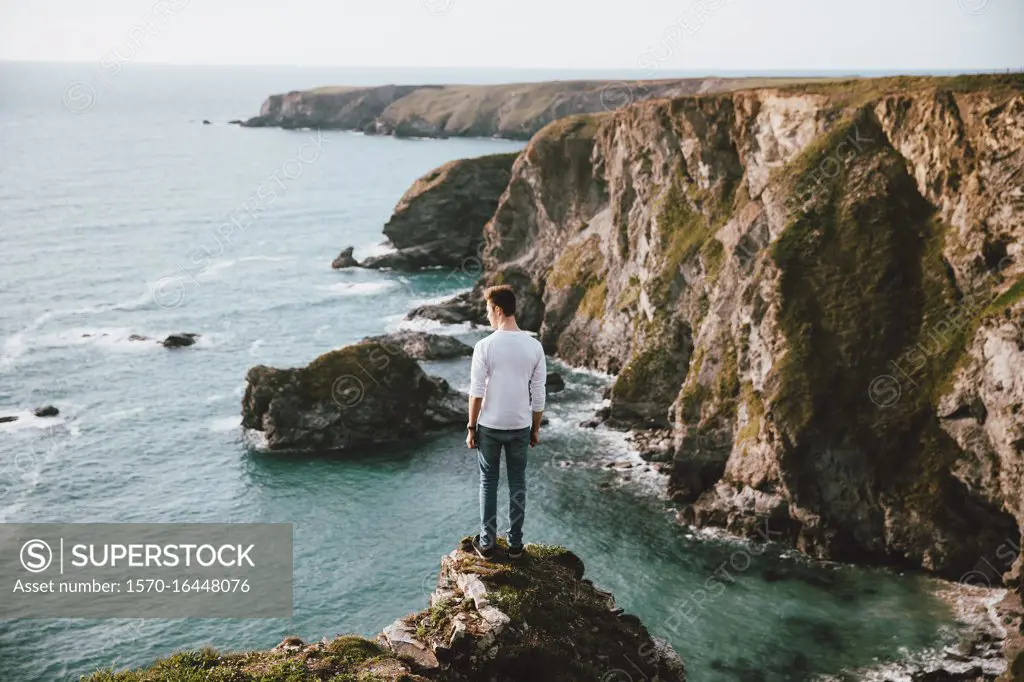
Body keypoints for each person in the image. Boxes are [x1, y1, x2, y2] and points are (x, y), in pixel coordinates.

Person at [466, 284, 546, 560]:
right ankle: (515, 545)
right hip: (521, 425)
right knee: (517, 482)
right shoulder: (534, 346)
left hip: (489, 425)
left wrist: (471, 426)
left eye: (488, 310)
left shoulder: (484, 346)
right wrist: (535, 427)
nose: (487, 315)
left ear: (498, 310)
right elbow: (538, 394)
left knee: (488, 482)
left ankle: (487, 543)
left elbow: (476, 392)